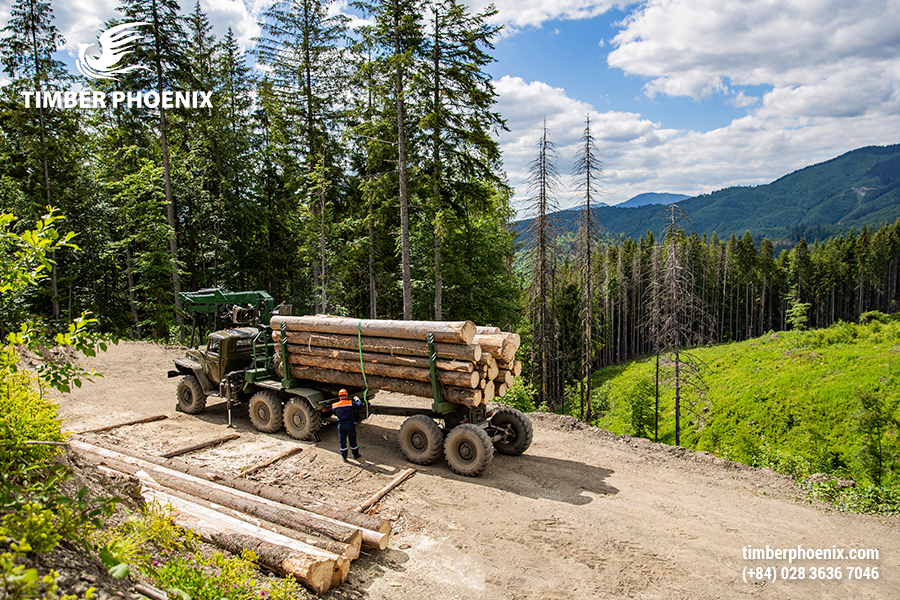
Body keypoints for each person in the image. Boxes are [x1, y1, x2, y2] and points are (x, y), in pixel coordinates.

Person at [332, 389, 362, 461]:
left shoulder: (335, 405)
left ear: (339, 396)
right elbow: (359, 406)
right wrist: (357, 399)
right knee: (352, 439)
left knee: (342, 441)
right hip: (350, 424)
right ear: (346, 395)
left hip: (341, 425)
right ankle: (355, 454)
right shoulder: (350, 403)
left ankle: (344, 457)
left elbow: (334, 412)